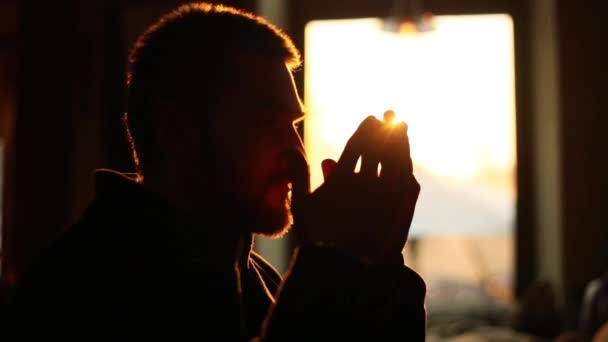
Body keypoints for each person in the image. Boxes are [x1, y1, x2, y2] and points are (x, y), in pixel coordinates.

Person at [9, 3, 425, 340]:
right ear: (176, 132)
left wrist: (378, 265)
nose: (295, 153)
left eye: (294, 127)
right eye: (266, 123)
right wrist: (330, 263)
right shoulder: (86, 288)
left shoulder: (255, 275)